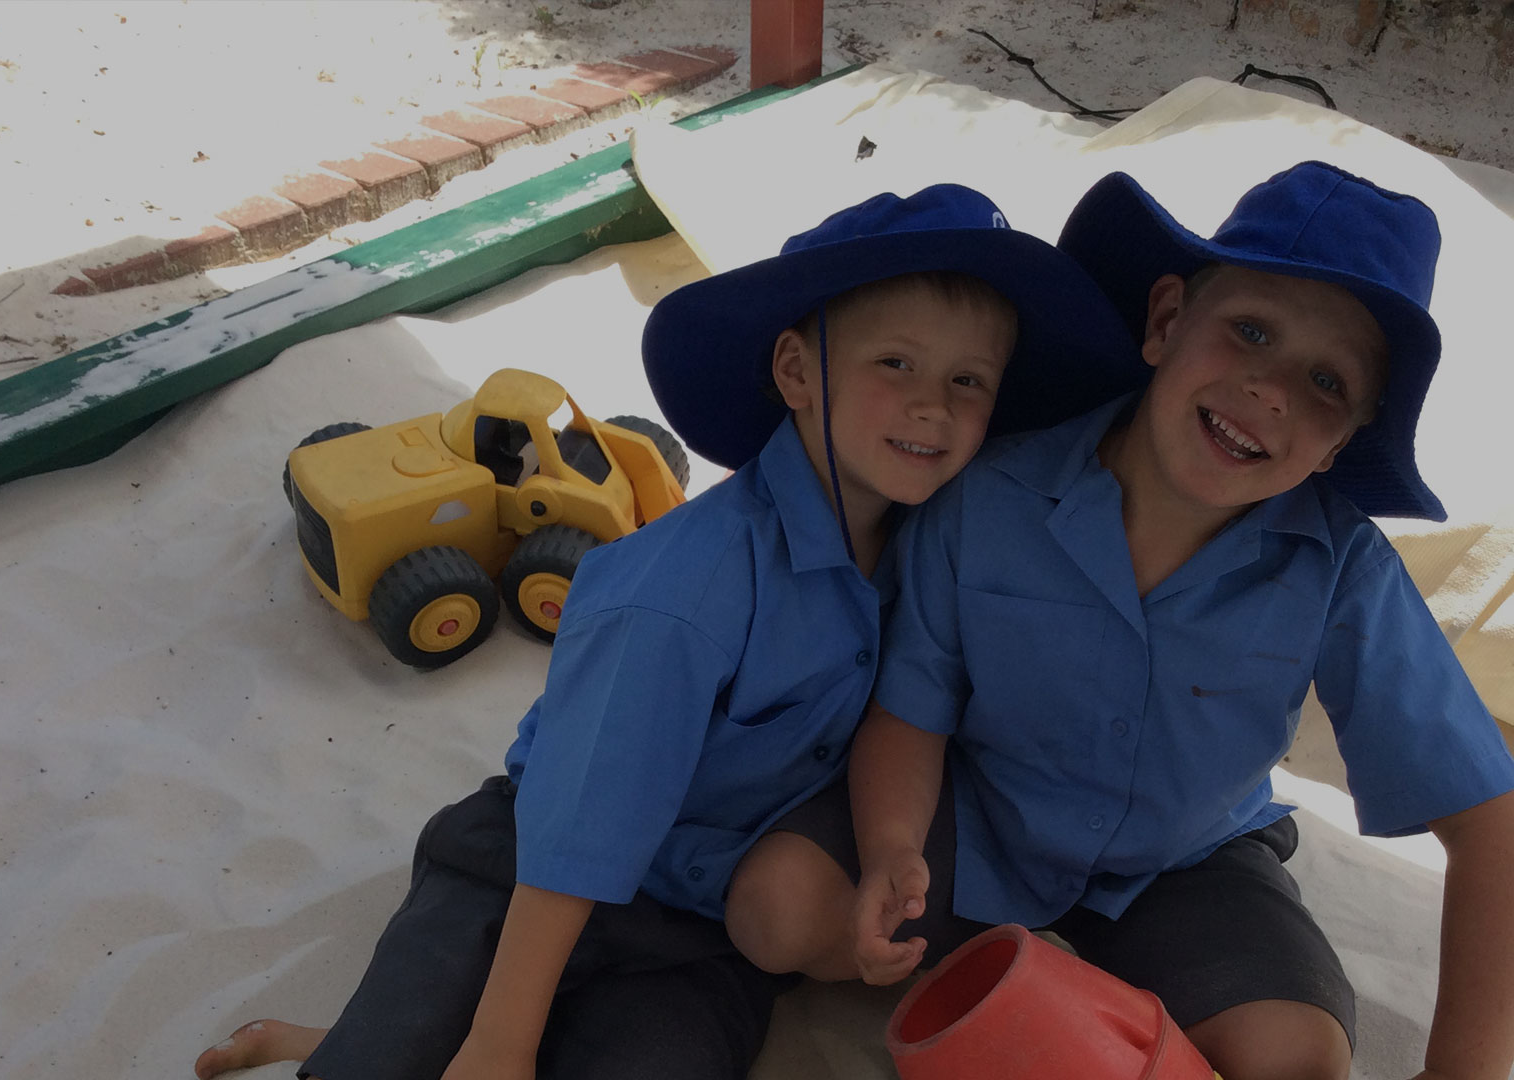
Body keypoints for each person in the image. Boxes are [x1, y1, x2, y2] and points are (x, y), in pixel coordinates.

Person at [191, 183, 1131, 1080]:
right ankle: (345, 1041)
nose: (936, 405)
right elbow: (587, 811)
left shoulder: (934, 547)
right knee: (427, 1056)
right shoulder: (685, 590)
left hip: (701, 913)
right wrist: (501, 1047)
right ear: (798, 371)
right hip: (528, 864)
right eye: (896, 362)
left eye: (970, 379)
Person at [724, 162, 1514, 1080]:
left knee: (1296, 1062)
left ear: (1340, 444)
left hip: (1185, 863)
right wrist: (889, 851)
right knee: (776, 908)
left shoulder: (1343, 569)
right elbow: (913, 709)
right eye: (1249, 330)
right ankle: (1039, 988)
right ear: (1165, 322)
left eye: (1324, 380)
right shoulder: (990, 492)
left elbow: (1500, 838)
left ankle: (1070, 998)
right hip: (980, 817)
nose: (1269, 390)